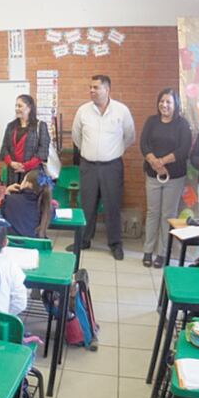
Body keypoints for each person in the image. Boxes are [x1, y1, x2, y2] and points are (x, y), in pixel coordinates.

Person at [71, 75, 136, 260]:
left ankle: (115, 244)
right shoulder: (83, 111)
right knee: (87, 205)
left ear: (107, 90)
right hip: (88, 166)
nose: (92, 90)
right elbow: (77, 136)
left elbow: (130, 136)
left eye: (96, 88)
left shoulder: (121, 111)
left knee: (112, 205)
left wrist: (115, 151)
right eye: (90, 87)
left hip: (112, 166)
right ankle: (84, 240)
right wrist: (88, 151)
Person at [139, 88, 193, 268]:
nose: (164, 105)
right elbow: (144, 144)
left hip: (174, 176)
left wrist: (162, 161)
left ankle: (163, 253)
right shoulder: (151, 121)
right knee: (152, 212)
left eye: (168, 102)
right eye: (162, 101)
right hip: (153, 175)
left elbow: (184, 149)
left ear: (175, 104)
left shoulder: (182, 124)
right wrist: (154, 162)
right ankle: (148, 250)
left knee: (168, 215)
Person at [0, 94, 50, 186]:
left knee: (30, 198)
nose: (17, 109)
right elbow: (4, 148)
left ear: (29, 108)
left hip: (32, 174)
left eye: (20, 106)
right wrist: (10, 163)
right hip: (13, 173)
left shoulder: (41, 126)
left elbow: (43, 151)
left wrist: (25, 166)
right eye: (16, 106)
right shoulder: (11, 126)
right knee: (14, 197)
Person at [0, 168, 53, 238]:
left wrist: (6, 193)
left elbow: (2, 214)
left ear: (28, 184)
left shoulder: (10, 200)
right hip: (35, 246)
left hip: (11, 245)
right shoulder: (46, 206)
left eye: (23, 180)